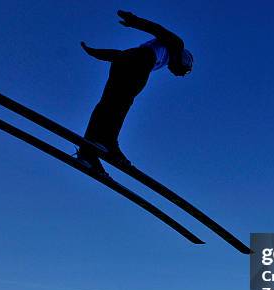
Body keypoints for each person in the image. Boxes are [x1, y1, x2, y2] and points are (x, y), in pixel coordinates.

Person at [78, 10, 193, 175]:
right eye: (183, 70)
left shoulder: (154, 52)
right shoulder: (177, 45)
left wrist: (94, 52)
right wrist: (135, 21)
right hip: (138, 63)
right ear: (183, 60)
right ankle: (108, 142)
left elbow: (120, 55)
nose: (179, 74)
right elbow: (158, 29)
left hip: (123, 61)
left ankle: (87, 153)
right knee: (122, 102)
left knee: (107, 103)